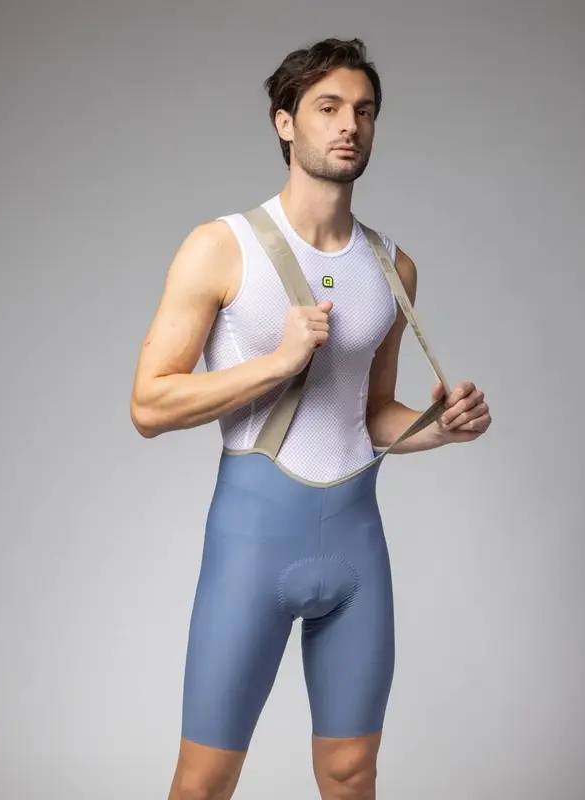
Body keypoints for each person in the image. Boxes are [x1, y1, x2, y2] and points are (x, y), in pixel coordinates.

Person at [130, 37, 491, 800]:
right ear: (285, 123)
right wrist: (276, 362)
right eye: (328, 108)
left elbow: (372, 416)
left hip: (357, 551)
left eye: (364, 110)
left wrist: (439, 427)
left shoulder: (392, 266)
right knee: (204, 782)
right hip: (251, 551)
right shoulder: (221, 247)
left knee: (351, 773)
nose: (349, 124)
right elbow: (149, 404)